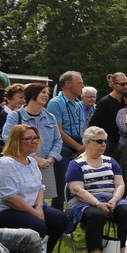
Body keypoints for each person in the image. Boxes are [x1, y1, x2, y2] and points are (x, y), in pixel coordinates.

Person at [65, 126, 127, 253]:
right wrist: (97, 204)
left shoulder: (111, 162)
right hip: (84, 202)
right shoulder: (76, 164)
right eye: (99, 141)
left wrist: (114, 200)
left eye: (105, 141)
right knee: (95, 215)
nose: (103, 144)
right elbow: (77, 190)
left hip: (111, 200)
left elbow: (120, 184)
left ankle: (123, 251)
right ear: (88, 142)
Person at [0, 125, 67, 253]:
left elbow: (39, 187)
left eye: (35, 138)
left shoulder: (31, 161)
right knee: (37, 225)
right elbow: (9, 198)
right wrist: (35, 213)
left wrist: (39, 207)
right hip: (6, 210)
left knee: (60, 219)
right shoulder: (5, 164)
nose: (34, 141)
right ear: (16, 141)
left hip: (31, 206)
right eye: (28, 139)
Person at [1, 82, 62, 201]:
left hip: (45, 164)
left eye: (48, 93)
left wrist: (50, 159)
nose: (46, 95)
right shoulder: (15, 116)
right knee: (24, 197)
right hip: (21, 163)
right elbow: (8, 138)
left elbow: (58, 140)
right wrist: (33, 158)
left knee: (43, 198)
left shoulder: (51, 117)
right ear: (33, 93)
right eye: (43, 92)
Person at [47, 70, 87, 205]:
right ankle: (57, 215)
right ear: (68, 84)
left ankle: (73, 212)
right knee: (61, 187)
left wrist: (83, 148)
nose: (83, 86)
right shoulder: (55, 103)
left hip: (78, 148)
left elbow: (82, 127)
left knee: (77, 185)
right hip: (63, 149)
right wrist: (79, 148)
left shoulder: (78, 104)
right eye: (80, 83)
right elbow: (58, 131)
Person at [91, 72, 127, 159]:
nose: (125, 86)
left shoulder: (125, 101)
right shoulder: (105, 102)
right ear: (114, 85)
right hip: (108, 142)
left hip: (123, 142)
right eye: (122, 84)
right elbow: (94, 123)